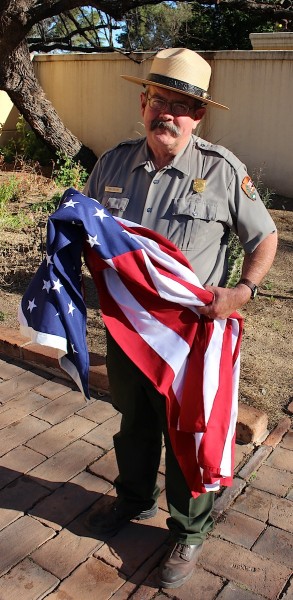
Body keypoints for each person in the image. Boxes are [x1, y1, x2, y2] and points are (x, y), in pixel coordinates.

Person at [83, 48, 278, 589]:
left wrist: (241, 291)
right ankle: (133, 498)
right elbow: (93, 232)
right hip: (130, 331)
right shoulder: (113, 163)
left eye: (182, 104)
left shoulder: (222, 170)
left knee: (189, 432)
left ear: (199, 116)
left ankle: (188, 529)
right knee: (134, 419)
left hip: (193, 336)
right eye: (158, 99)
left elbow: (265, 237)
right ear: (143, 103)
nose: (167, 112)